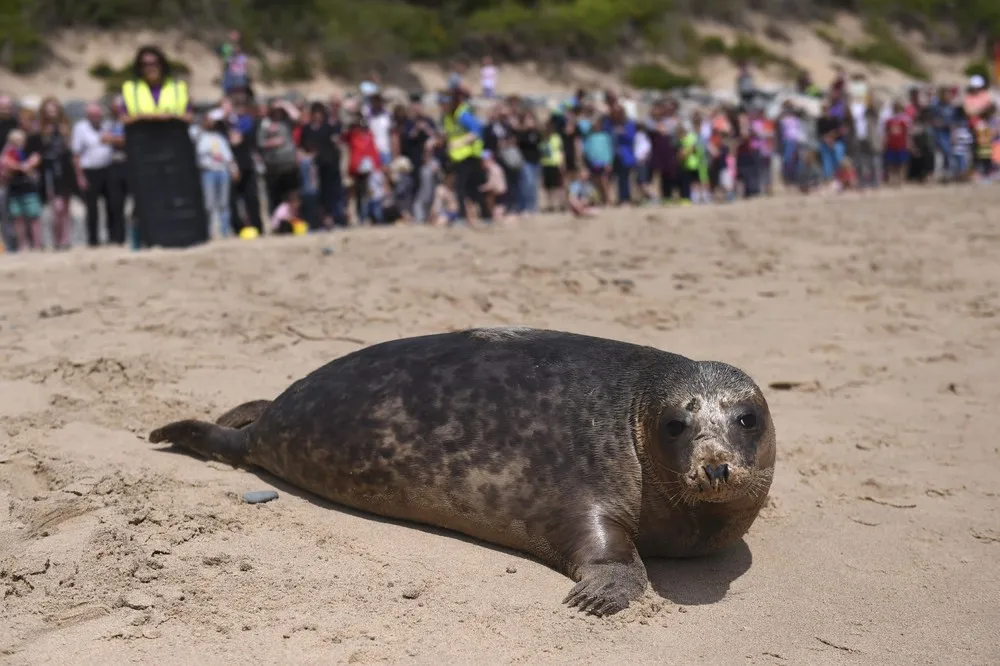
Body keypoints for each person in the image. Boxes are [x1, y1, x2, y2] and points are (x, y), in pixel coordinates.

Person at [72, 102, 122, 247]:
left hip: (108, 169)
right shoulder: (80, 128)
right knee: (92, 208)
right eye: (92, 115)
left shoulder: (107, 125)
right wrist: (80, 176)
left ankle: (114, 237)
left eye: (98, 115)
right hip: (89, 170)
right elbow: (76, 154)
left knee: (112, 204)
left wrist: (110, 139)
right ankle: (93, 240)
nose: (96, 117)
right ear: (87, 116)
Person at [442, 86, 489, 223]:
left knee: (464, 187)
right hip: (458, 156)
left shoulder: (462, 114)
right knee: (469, 187)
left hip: (470, 155)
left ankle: (466, 217)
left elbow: (476, 131)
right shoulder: (448, 116)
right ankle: (482, 215)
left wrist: (460, 143)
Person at [121, 45, 192, 121]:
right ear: (139, 67)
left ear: (162, 65)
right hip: (141, 130)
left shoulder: (178, 86)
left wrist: (171, 116)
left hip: (173, 129)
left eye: (155, 63)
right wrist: (143, 117)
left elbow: (189, 117)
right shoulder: (130, 87)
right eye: (145, 65)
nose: (150, 68)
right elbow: (124, 118)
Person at [195, 114, 239, 239]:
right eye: (208, 121)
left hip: (222, 172)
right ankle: (208, 233)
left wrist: (234, 169)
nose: (211, 123)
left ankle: (225, 232)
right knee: (209, 205)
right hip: (208, 172)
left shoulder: (220, 138)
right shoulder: (200, 137)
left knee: (224, 204)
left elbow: (228, 157)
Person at [2, 128, 43, 250]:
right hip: (14, 189)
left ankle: (37, 245)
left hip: (29, 189)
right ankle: (22, 245)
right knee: (18, 218)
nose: (18, 143)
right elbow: (6, 163)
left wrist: (23, 166)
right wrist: (22, 167)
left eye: (20, 140)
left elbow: (35, 159)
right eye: (15, 141)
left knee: (34, 217)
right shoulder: (8, 152)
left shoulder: (29, 150)